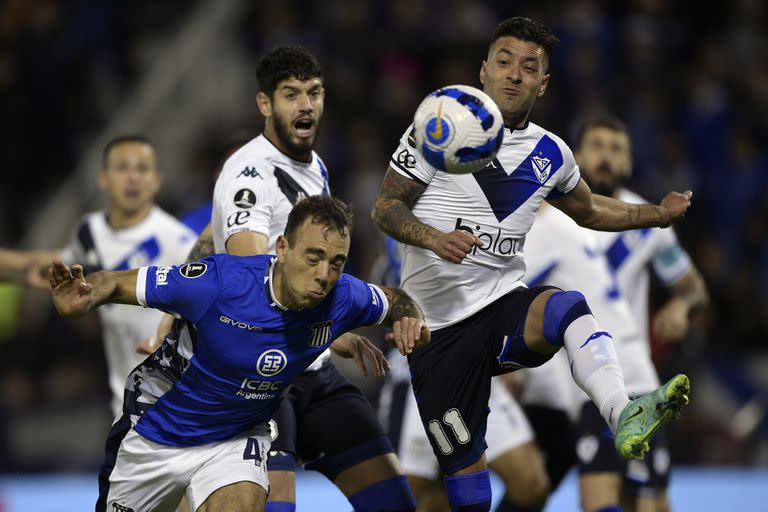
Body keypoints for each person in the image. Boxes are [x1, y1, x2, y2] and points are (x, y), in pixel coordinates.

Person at [371, 17, 691, 512]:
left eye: (528, 67)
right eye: (504, 62)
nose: (514, 75)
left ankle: (621, 411)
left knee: (566, 308)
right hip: (435, 333)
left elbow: (589, 210)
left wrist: (658, 215)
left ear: (544, 84)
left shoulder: (551, 153)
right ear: (483, 71)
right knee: (468, 490)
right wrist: (434, 239)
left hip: (500, 306)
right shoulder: (439, 125)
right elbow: (385, 207)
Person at [48, 196, 429, 512]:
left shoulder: (343, 297)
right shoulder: (219, 283)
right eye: (313, 258)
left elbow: (394, 300)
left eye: (336, 263)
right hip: (155, 434)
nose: (324, 275)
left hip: (235, 437)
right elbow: (117, 283)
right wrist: (85, 295)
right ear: (282, 248)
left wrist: (410, 317)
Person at [170, 46, 418, 512]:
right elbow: (249, 279)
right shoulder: (249, 173)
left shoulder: (314, 168)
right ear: (265, 104)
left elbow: (213, 236)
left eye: (314, 93)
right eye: (291, 95)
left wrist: (331, 336)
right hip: (259, 373)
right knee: (274, 504)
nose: (305, 105)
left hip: (310, 366)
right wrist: (329, 327)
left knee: (392, 501)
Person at [0, 135, 196, 418]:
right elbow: (39, 269)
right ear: (103, 179)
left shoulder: (179, 243)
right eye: (122, 168)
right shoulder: (89, 233)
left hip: (179, 409)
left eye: (142, 169)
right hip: (126, 412)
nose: (132, 178)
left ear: (156, 181)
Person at [571, 118, 709, 512]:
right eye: (597, 145)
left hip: (631, 380)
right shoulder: (550, 219)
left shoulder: (651, 225)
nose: (605, 156)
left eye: (616, 149)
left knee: (649, 504)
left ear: (629, 162)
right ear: (577, 156)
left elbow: (694, 287)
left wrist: (681, 306)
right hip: (560, 386)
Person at [376, 237, 551, 512]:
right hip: (421, 372)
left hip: (475, 364)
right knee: (412, 496)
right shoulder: (411, 209)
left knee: (531, 484)